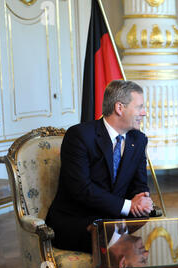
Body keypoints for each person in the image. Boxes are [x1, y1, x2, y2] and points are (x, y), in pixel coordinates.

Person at [46, 80, 154, 253]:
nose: (144, 112)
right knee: (120, 247)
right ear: (120, 108)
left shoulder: (138, 139)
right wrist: (129, 206)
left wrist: (142, 199)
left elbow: (139, 183)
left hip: (114, 219)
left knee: (144, 238)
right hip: (78, 219)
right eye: (139, 107)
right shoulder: (80, 136)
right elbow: (82, 189)